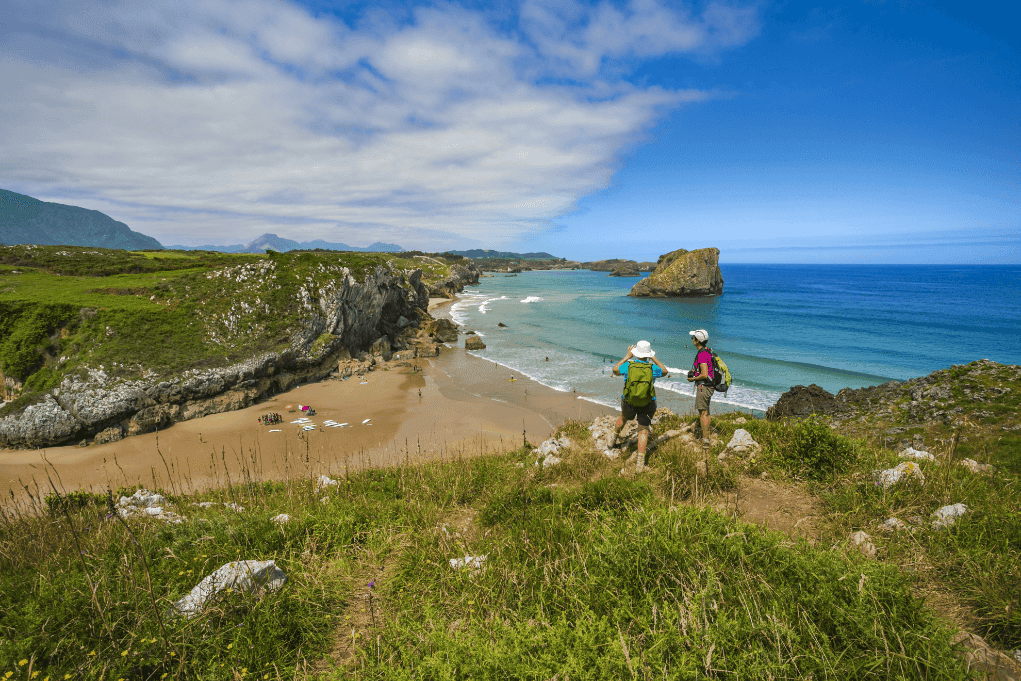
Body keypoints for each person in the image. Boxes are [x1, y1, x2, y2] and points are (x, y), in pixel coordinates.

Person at [610, 340, 669, 472]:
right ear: (648, 354)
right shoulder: (652, 368)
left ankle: (612, 441)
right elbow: (665, 371)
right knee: (643, 430)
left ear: (635, 353)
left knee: (623, 417)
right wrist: (653, 357)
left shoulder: (628, 366)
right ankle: (639, 464)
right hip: (647, 402)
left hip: (628, 401)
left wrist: (627, 356)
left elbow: (614, 370)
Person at [686, 329, 714, 449]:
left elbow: (704, 374)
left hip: (704, 386)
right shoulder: (707, 350)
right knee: (706, 411)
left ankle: (705, 440)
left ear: (697, 340)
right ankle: (707, 435)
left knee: (703, 413)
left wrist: (693, 379)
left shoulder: (702, 354)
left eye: (693, 338)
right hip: (709, 386)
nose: (692, 339)